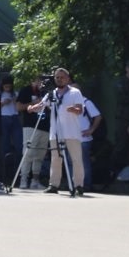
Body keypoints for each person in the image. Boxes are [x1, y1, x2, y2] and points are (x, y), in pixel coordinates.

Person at [46, 67, 92, 198]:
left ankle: (78, 185)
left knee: (76, 159)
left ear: (68, 79)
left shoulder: (75, 92)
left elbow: (80, 109)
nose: (59, 80)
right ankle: (53, 185)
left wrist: (74, 109)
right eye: (57, 77)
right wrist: (33, 107)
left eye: (62, 77)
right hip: (56, 131)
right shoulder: (52, 92)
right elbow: (43, 104)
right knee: (55, 159)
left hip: (72, 132)